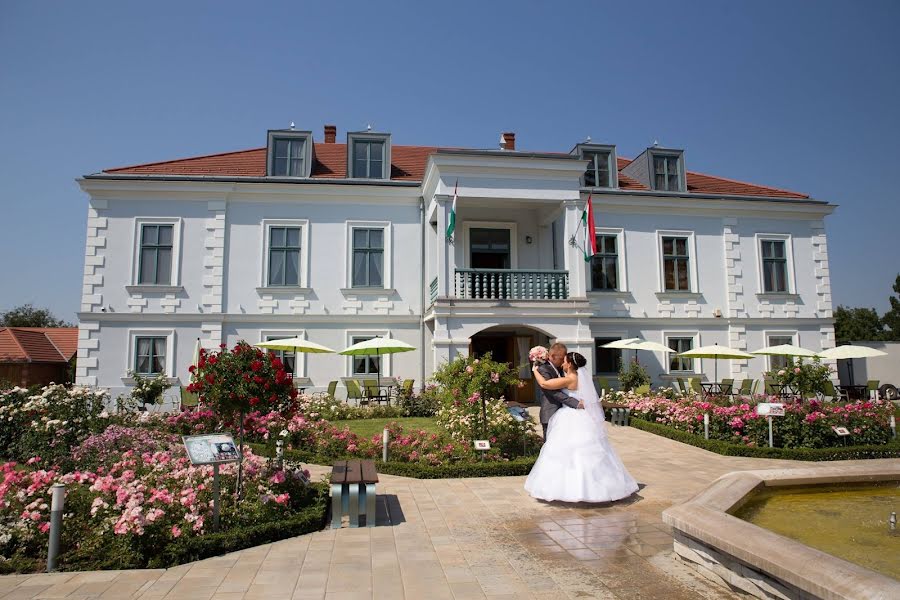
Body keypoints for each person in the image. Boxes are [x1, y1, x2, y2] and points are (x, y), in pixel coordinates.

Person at [524, 351, 639, 503]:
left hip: (571, 417)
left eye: (564, 361)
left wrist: (535, 371)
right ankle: (599, 487)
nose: (563, 364)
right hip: (583, 417)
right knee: (586, 453)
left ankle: (573, 489)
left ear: (570, 364)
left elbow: (545, 384)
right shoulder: (579, 378)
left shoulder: (570, 378)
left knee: (569, 453)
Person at [535, 342, 583, 439]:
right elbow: (551, 391)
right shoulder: (544, 369)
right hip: (550, 412)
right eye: (561, 359)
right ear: (552, 356)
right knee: (550, 445)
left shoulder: (561, 370)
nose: (562, 363)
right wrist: (575, 403)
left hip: (565, 414)